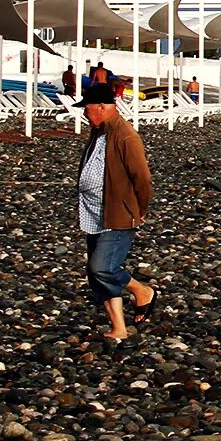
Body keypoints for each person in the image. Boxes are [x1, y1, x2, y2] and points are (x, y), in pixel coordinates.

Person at [75, 82, 154, 340]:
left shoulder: (125, 135)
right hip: (93, 211)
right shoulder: (99, 132)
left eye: (87, 109)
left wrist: (139, 208)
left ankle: (141, 291)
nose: (85, 114)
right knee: (95, 273)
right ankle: (118, 327)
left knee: (102, 268)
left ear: (101, 107)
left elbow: (142, 177)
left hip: (118, 213)